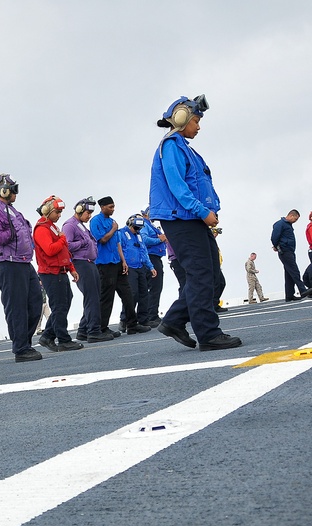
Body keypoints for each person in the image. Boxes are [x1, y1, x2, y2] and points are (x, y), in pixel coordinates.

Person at [149, 94, 241, 351]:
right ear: (182, 118)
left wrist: (208, 211)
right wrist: (202, 212)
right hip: (182, 219)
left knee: (214, 279)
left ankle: (175, 320)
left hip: (193, 218)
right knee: (201, 275)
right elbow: (178, 187)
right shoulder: (171, 146)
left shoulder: (183, 147)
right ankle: (209, 335)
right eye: (196, 120)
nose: (199, 126)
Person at [0, 173, 43, 362]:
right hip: (9, 264)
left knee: (35, 303)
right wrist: (12, 230)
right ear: (3, 190)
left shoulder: (11, 209)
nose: (16, 193)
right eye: (13, 189)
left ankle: (24, 341)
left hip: (24, 262)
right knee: (16, 307)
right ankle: (21, 348)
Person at [32, 196, 83, 352]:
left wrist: (70, 267)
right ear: (48, 210)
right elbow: (50, 249)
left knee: (64, 303)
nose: (59, 215)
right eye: (57, 212)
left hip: (59, 271)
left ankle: (48, 335)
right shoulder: (42, 229)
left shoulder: (51, 227)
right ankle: (63, 339)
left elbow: (62, 251)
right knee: (59, 306)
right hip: (51, 273)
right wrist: (62, 239)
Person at [91, 196, 145, 336]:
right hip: (104, 264)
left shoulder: (112, 221)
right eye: (110, 207)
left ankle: (132, 325)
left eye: (113, 206)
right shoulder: (96, 221)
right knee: (107, 297)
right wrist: (113, 229)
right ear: (102, 207)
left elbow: (118, 243)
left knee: (128, 294)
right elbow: (102, 240)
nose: (113, 209)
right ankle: (102, 328)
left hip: (117, 263)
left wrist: (123, 261)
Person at [63, 197, 111, 342]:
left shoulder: (81, 225)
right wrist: (83, 242)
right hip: (81, 263)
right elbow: (66, 245)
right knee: (92, 297)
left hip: (90, 263)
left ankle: (83, 330)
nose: (89, 216)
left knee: (94, 297)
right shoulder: (70, 226)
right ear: (79, 210)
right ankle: (93, 331)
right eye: (87, 213)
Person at [117, 215, 158, 330]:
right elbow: (118, 249)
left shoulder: (139, 235)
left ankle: (143, 320)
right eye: (135, 227)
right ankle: (124, 319)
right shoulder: (121, 234)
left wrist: (150, 267)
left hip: (140, 267)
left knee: (144, 293)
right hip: (129, 268)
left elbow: (143, 251)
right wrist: (122, 264)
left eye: (139, 228)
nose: (137, 230)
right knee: (132, 294)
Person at [271, 210, 311, 302]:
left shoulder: (287, 225)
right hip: (285, 251)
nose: (295, 221)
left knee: (289, 274)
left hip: (289, 250)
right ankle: (302, 290)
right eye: (295, 219)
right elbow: (274, 237)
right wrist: (277, 246)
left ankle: (289, 295)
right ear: (292, 215)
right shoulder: (280, 224)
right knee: (294, 271)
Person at [139, 208, 167, 325]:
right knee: (155, 287)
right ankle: (152, 315)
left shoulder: (150, 225)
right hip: (152, 257)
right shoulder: (145, 225)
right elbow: (144, 240)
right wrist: (158, 239)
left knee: (152, 288)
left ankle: (150, 314)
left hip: (153, 257)